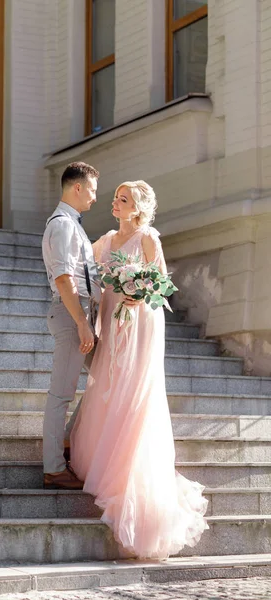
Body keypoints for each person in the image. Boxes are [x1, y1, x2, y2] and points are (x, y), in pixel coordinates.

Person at [70, 180, 208, 559]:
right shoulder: (106, 240)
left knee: (134, 388)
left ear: (139, 207)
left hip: (141, 322)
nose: (115, 202)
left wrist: (136, 294)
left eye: (123, 199)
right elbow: (88, 271)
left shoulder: (148, 238)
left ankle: (131, 464)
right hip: (112, 325)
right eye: (115, 197)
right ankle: (103, 451)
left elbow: (163, 285)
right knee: (108, 382)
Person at [41, 162, 101, 490]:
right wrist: (81, 322)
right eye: (92, 189)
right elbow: (64, 279)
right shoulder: (63, 225)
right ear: (77, 187)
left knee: (106, 375)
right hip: (70, 316)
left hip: (81, 315)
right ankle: (53, 467)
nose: (94, 197)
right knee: (61, 394)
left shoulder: (73, 224)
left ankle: (67, 439)